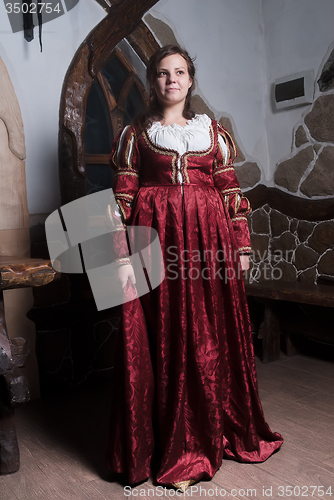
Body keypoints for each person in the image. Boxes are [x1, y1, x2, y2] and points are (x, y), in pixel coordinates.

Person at [106, 45, 283, 492]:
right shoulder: (135, 134)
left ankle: (211, 433)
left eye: (180, 72)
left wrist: (241, 247)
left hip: (209, 247)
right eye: (163, 73)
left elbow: (230, 191)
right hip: (155, 242)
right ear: (152, 82)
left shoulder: (212, 133)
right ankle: (174, 447)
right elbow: (123, 199)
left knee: (209, 335)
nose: (171, 80)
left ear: (190, 79)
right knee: (166, 336)